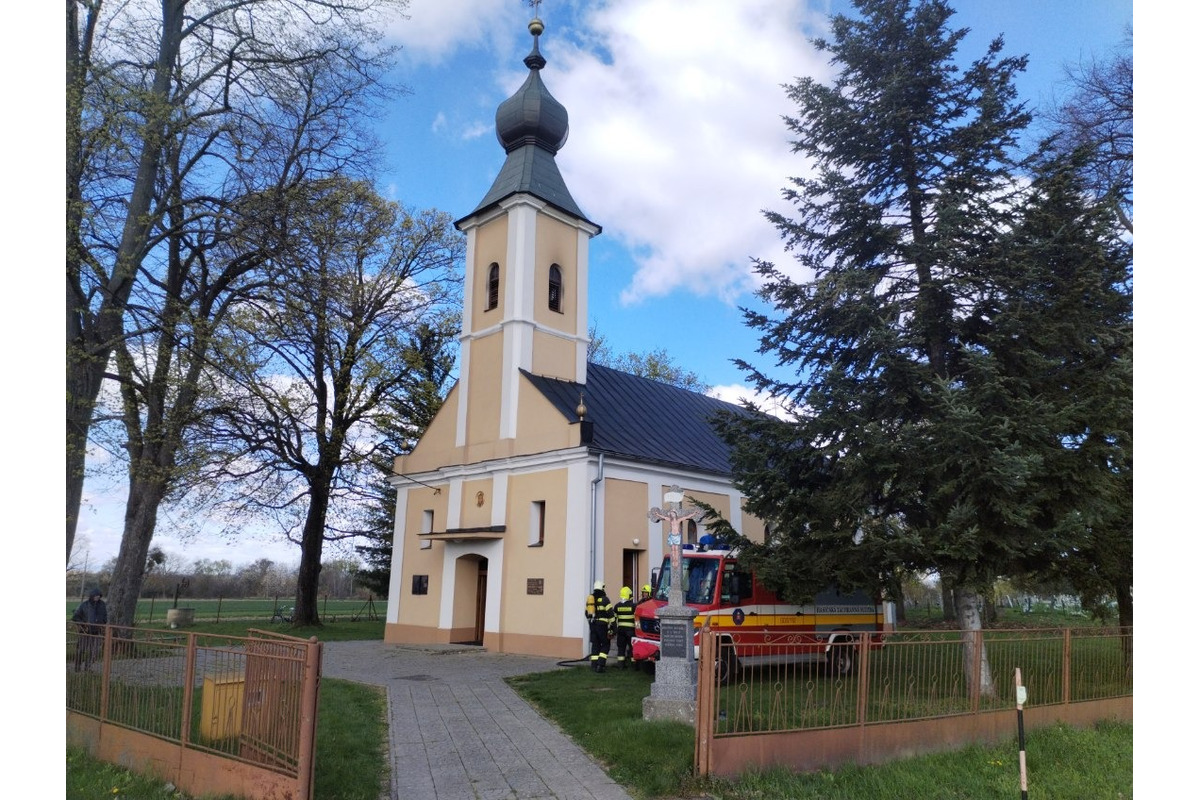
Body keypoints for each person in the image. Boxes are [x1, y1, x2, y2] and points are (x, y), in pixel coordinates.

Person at [72, 588, 108, 671]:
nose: (97, 597)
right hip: (85, 632)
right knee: (81, 650)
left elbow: (105, 616)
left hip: (97, 632)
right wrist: (83, 624)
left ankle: (88, 667)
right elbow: (75, 617)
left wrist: (102, 623)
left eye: (99, 595)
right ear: (92, 596)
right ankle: (77, 667)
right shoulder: (84, 605)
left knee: (94, 651)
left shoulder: (102, 605)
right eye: (96, 595)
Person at [584, 580, 615, 673]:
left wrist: (591, 623)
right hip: (602, 626)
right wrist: (613, 627)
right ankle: (600, 665)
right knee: (605, 644)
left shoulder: (591, 598)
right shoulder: (605, 599)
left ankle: (594, 665)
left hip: (593, 625)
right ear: (602, 588)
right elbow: (610, 614)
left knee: (595, 645)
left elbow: (587, 613)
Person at [613, 586, 636, 670]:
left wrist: (613, 630)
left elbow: (614, 619)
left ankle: (620, 665)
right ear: (628, 595)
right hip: (631, 631)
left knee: (621, 648)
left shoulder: (616, 606)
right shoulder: (634, 606)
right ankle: (634, 666)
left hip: (621, 631)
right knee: (632, 648)